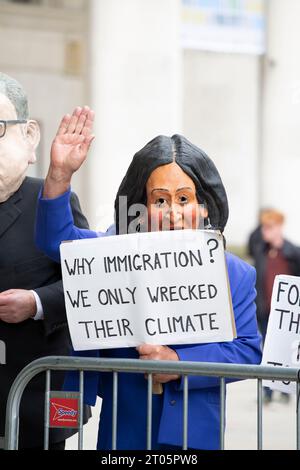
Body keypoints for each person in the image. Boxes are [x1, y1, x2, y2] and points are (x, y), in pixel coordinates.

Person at [35, 107, 262, 450]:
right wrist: (59, 175)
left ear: (204, 205)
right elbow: (56, 242)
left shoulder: (236, 273)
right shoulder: (113, 253)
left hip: (195, 436)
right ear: (140, 206)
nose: (172, 213)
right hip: (124, 434)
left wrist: (181, 363)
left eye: (184, 199)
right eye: (160, 200)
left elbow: (247, 350)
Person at [0, 73, 90, 449]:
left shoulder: (50, 201)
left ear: (29, 136)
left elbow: (88, 282)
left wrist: (36, 304)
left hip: (37, 395)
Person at [248, 209, 300, 403]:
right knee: (267, 350)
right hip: (264, 308)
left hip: (287, 312)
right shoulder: (261, 250)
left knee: (286, 350)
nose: (265, 232)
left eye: (269, 228)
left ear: (279, 228)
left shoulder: (292, 251)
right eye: (264, 228)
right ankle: (268, 392)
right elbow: (250, 240)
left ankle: (286, 391)